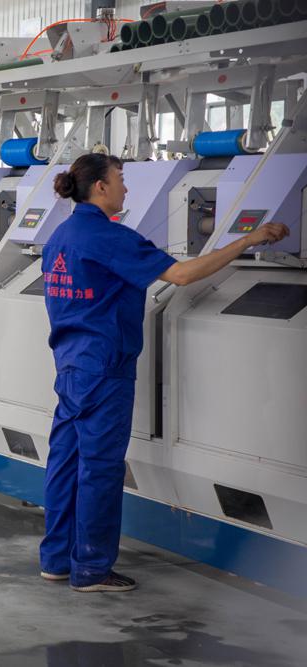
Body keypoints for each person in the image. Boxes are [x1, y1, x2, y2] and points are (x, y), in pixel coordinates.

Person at [39, 152, 290, 592]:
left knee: (65, 462)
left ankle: (57, 560)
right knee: (100, 468)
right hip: (104, 368)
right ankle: (92, 569)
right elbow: (183, 274)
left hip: (71, 364)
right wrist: (247, 240)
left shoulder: (61, 234)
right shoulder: (110, 236)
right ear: (100, 187)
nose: (126, 187)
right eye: (120, 178)